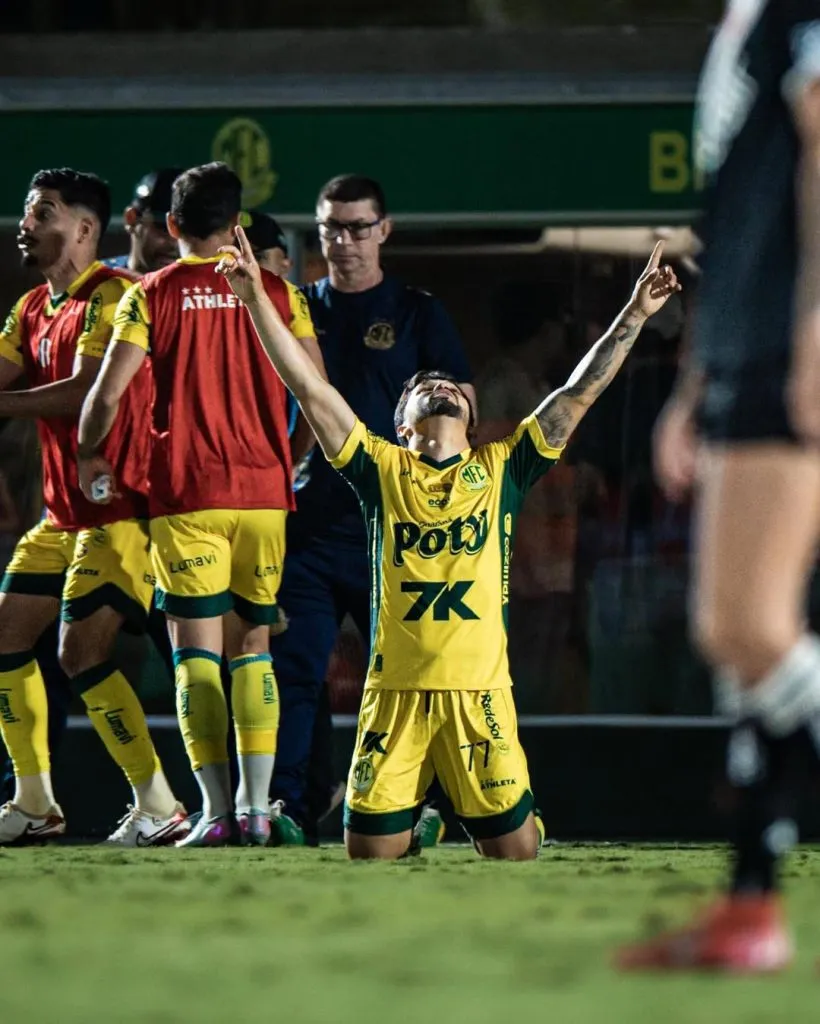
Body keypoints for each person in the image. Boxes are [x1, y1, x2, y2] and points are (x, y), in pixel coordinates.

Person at [218, 225, 679, 859]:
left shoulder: (504, 467)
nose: (438, 385)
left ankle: (502, 817)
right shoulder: (380, 469)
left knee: (515, 853)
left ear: (471, 413)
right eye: (420, 387)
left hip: (479, 696)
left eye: (449, 385)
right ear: (401, 426)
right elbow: (310, 388)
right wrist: (253, 299)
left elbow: (578, 393)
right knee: (368, 853)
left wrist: (635, 313)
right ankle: (415, 819)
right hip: (395, 698)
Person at [616, 0, 820, 973]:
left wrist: (814, 326)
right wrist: (692, 385)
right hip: (747, 347)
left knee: (745, 626)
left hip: (788, 344)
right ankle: (751, 906)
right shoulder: (748, 18)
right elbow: (731, 219)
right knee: (744, 651)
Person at [77, 162, 323, 847]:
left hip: (187, 496)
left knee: (196, 657)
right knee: (254, 649)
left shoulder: (150, 293)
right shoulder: (279, 292)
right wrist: (288, 456)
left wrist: (89, 449)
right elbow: (316, 389)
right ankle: (257, 807)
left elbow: (107, 395)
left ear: (172, 224)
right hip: (264, 496)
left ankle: (215, 813)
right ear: (236, 223)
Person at [267, 174, 475, 846]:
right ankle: (289, 806)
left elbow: (463, 403)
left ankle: (431, 803)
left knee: (415, 671)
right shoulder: (297, 308)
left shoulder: (417, 312)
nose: (344, 240)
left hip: (396, 530)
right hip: (310, 528)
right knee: (295, 671)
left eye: (358, 226)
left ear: (384, 230)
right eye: (331, 226)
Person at [0, 168, 188, 845]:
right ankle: (34, 803)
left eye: (42, 212)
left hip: (124, 512)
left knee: (81, 653)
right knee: (6, 637)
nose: (25, 225)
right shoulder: (30, 307)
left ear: (84, 228)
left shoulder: (116, 295)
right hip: (61, 517)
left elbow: (84, 390)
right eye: (27, 212)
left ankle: (161, 806)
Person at [103, 168, 182, 275]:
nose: (175, 243)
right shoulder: (94, 281)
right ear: (131, 219)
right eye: (165, 228)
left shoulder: (201, 284)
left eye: (187, 232)